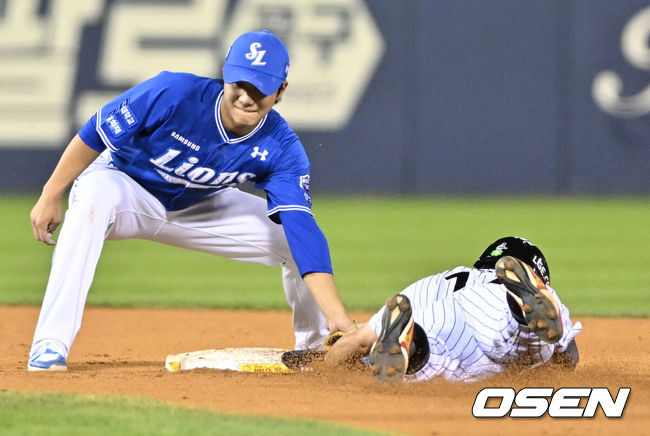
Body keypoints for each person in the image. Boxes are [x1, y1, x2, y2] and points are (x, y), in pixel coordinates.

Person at [28, 30, 356, 372]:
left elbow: (302, 229)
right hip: (124, 186)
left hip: (202, 205)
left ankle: (318, 347)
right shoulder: (174, 92)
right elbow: (96, 131)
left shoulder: (283, 148)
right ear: (225, 76)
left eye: (260, 89)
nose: (246, 97)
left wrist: (340, 319)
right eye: (239, 84)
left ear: (281, 90)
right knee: (91, 205)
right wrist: (52, 193)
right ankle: (50, 343)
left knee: (291, 241)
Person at [322, 236, 582, 383]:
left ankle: (412, 344)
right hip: (496, 306)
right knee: (530, 343)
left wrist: (328, 365)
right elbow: (569, 358)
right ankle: (520, 311)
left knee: (429, 364)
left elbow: (357, 341)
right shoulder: (499, 286)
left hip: (438, 318)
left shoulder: (436, 281)